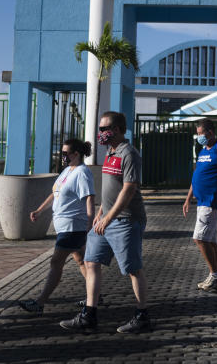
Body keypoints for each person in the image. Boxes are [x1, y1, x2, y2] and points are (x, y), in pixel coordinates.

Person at [61, 111, 150, 334]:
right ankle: (89, 315)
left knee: (133, 269)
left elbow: (129, 190)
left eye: (104, 129)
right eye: (100, 129)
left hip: (126, 221)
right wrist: (101, 213)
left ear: (118, 130)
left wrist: (109, 218)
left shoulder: (129, 153)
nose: (100, 133)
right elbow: (111, 189)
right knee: (91, 262)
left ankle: (142, 316)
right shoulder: (110, 153)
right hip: (106, 221)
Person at [19, 138, 95, 315]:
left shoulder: (82, 173)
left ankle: (40, 302)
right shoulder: (67, 171)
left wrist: (90, 223)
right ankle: (95, 296)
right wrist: (39, 210)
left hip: (73, 226)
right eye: (62, 153)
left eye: (65, 153)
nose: (62, 157)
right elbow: (55, 193)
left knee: (56, 262)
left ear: (76, 154)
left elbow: (89, 198)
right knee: (81, 261)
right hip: (65, 226)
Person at [183, 119, 217, 293]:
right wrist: (188, 197)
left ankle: (215, 274)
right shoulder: (203, 150)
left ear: (210, 132)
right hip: (201, 201)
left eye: (200, 134)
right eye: (197, 134)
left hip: (211, 202)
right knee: (210, 240)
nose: (199, 137)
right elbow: (196, 175)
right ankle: (216, 275)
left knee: (199, 238)